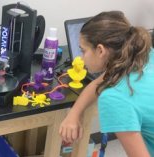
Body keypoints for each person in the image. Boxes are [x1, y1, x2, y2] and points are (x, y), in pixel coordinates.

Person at [60, 11, 154, 156]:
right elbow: (98, 83)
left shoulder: (114, 97)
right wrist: (74, 113)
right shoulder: (144, 55)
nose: (81, 58)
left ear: (100, 50)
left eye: (83, 51)